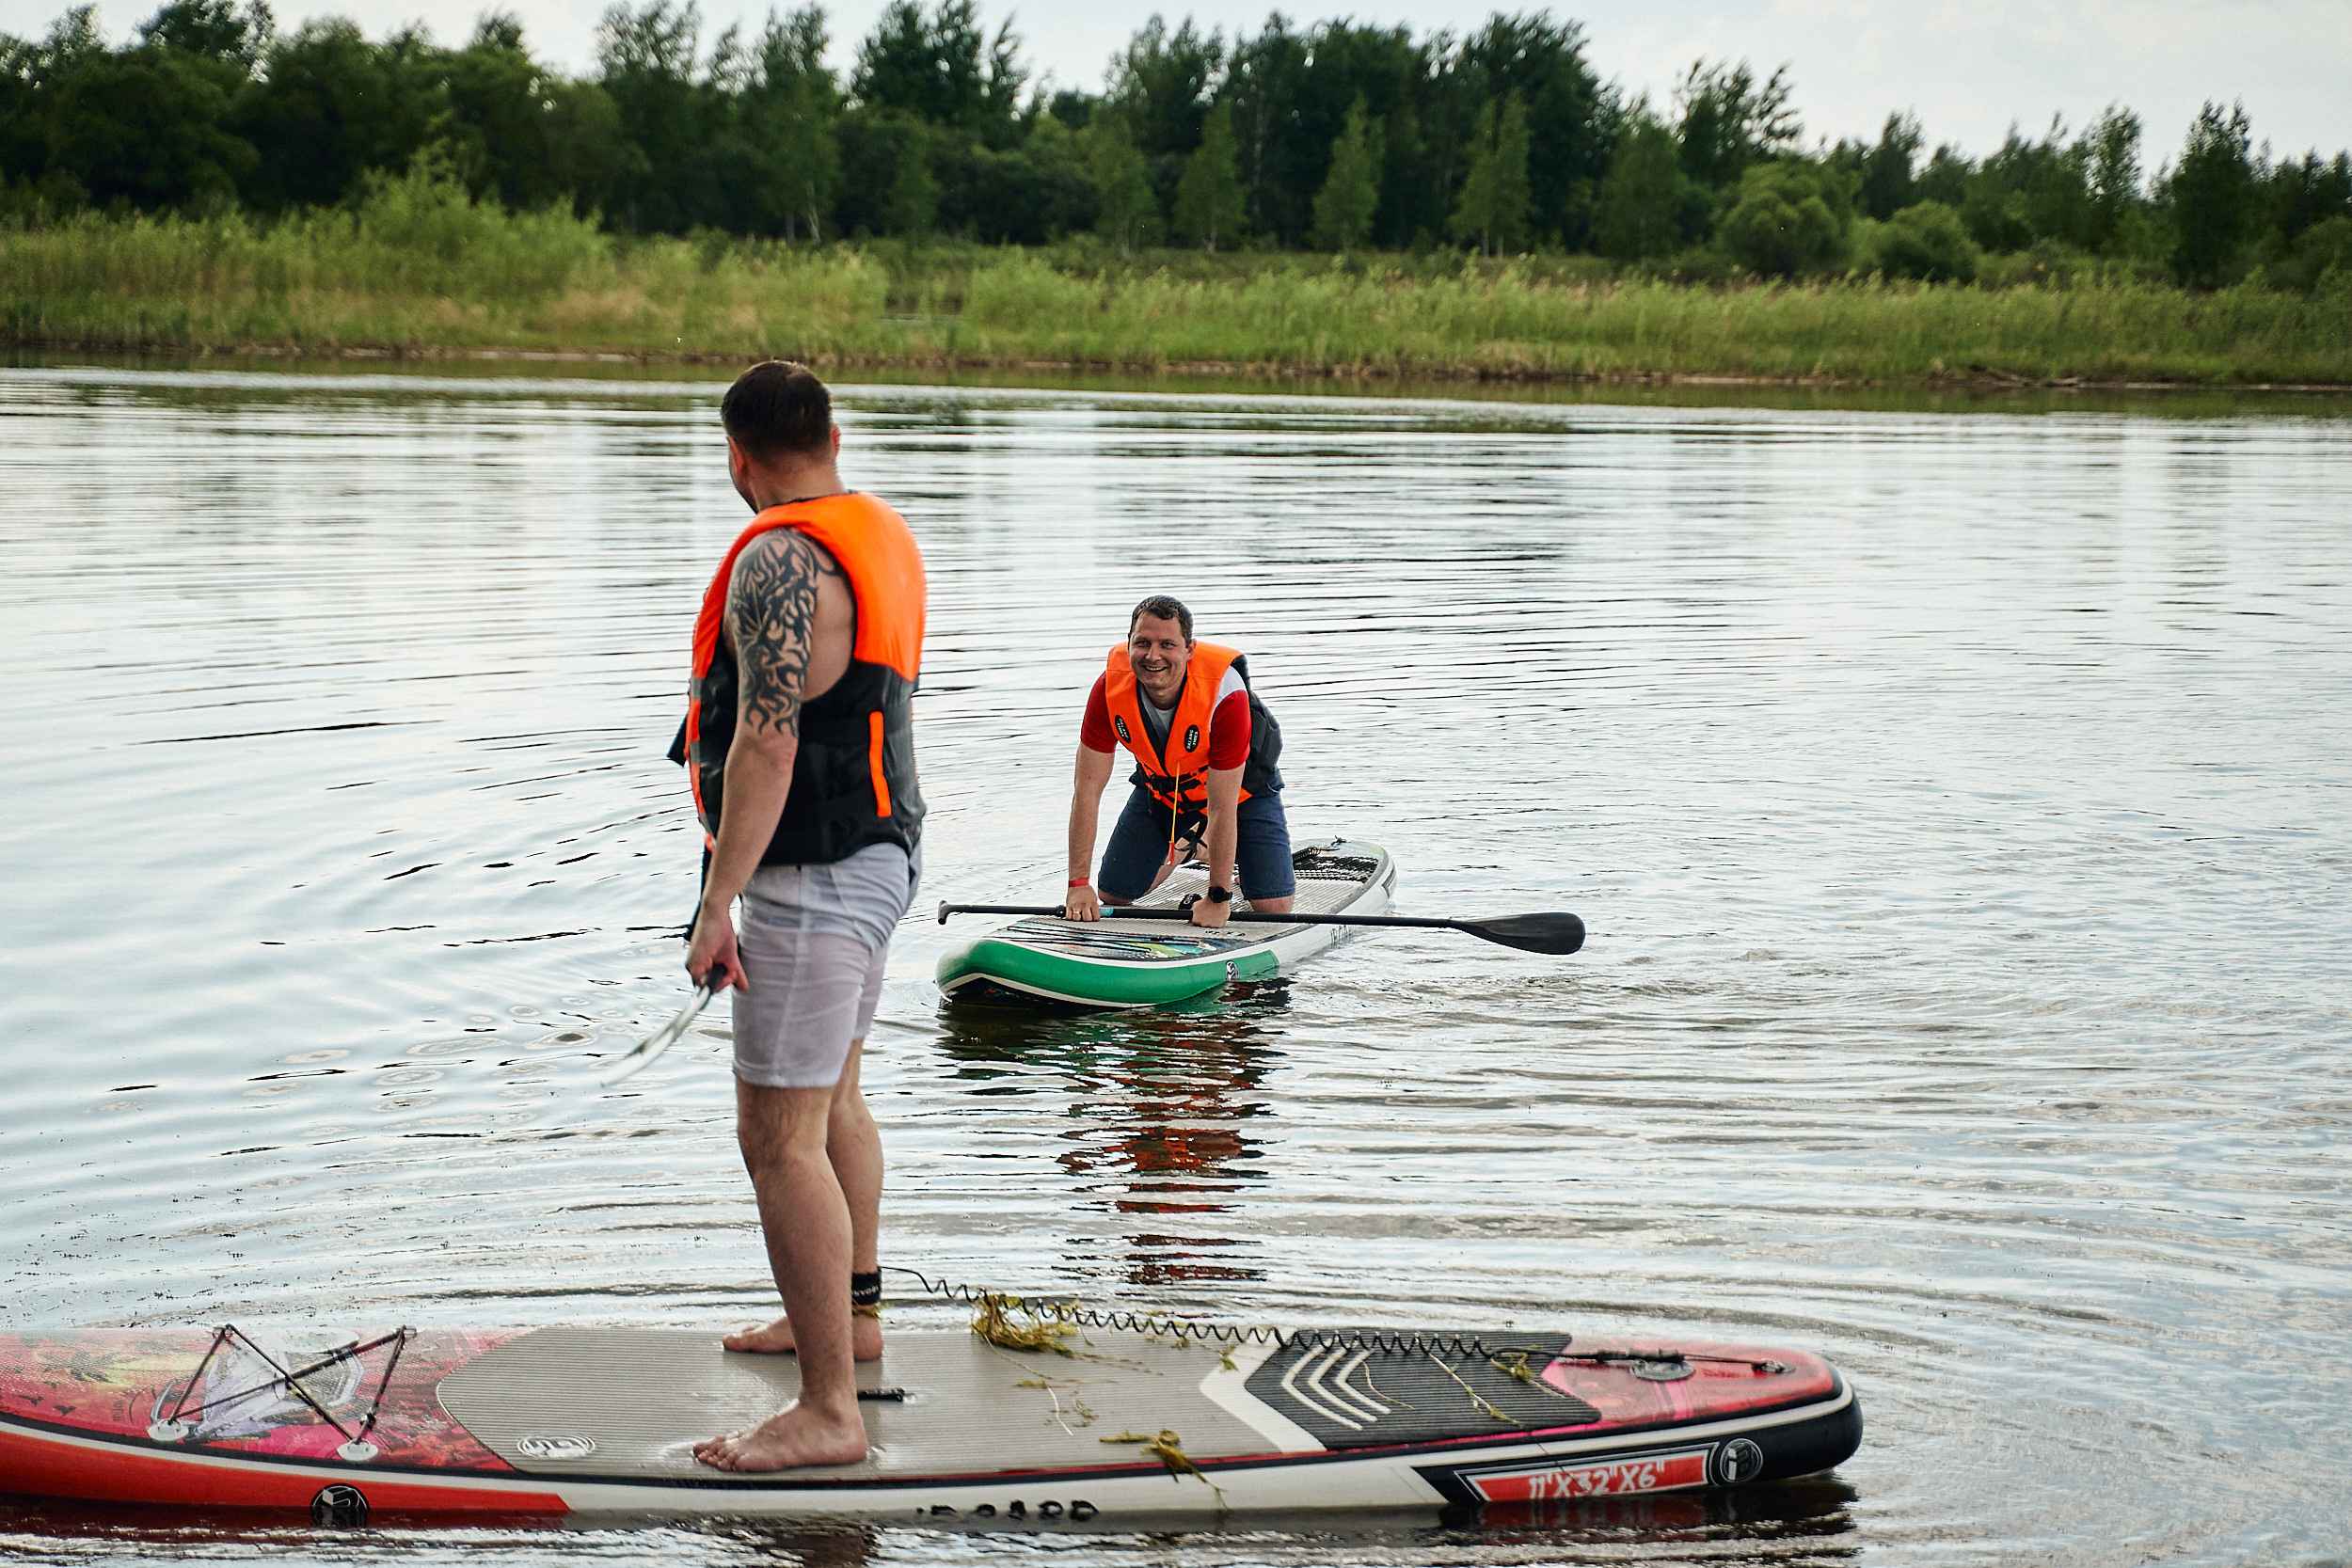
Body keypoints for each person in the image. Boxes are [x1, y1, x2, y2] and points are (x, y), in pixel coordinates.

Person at [675, 361, 925, 1472]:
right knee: (833, 1107)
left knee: (777, 1138)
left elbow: (766, 742)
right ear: (833, 434)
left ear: (737, 455)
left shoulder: (779, 556)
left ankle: (830, 1410)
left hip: (809, 877)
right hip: (879, 858)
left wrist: (715, 902)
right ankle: (850, 1321)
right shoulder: (876, 530)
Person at [1065, 595, 1291, 928]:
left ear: (1189, 650)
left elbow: (1222, 807)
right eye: (1142, 643)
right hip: (1165, 790)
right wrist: (1077, 885)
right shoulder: (1108, 688)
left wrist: (1218, 897)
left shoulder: (1226, 694)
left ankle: (1220, 849)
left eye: (1167, 644)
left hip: (1242, 794)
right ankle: (1188, 846)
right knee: (1113, 893)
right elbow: (1087, 789)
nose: (1153, 655)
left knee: (1272, 909)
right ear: (1128, 645)